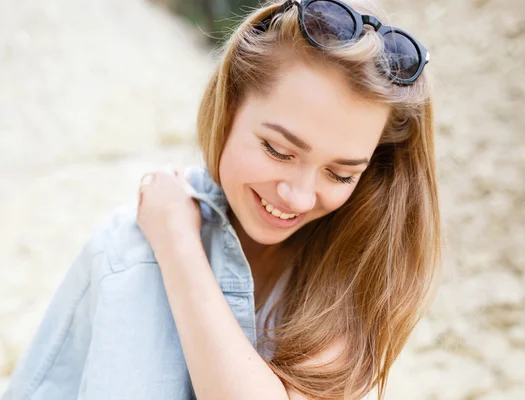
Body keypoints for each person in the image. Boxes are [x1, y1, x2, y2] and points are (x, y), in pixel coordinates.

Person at [2, 0, 440, 398]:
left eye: (340, 173)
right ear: (230, 106)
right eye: (278, 150)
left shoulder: (359, 274)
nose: (300, 197)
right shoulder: (128, 252)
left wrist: (176, 239)